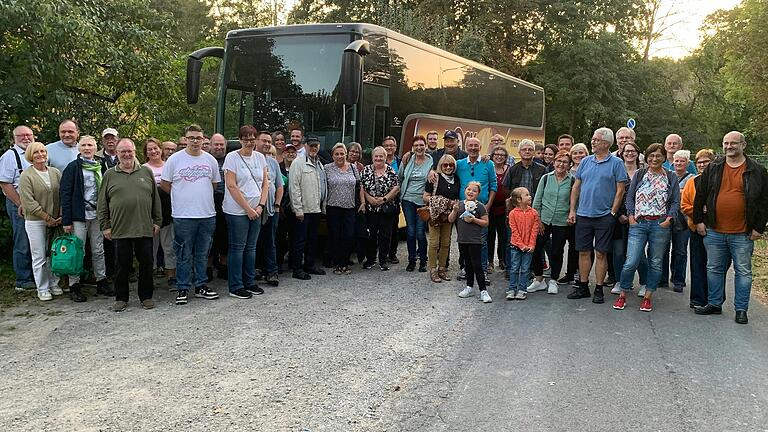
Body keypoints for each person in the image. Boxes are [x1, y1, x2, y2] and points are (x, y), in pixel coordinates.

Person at [693, 131, 768, 324]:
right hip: (715, 230)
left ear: (743, 145)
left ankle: (741, 309)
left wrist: (759, 227)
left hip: (743, 232)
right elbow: (700, 195)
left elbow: (764, 202)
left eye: (734, 143)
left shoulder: (757, 170)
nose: (729, 147)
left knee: (743, 272)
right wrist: (699, 221)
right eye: (726, 143)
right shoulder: (714, 167)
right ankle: (714, 304)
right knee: (714, 269)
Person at [612, 143, 679, 312]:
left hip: (660, 224)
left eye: (658, 156)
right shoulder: (640, 174)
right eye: (651, 156)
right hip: (639, 223)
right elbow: (630, 197)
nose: (654, 159)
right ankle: (623, 294)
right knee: (631, 261)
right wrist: (631, 215)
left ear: (664, 157)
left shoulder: (670, 176)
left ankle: (648, 297)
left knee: (656, 262)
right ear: (646, 157)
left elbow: (675, 201)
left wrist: (669, 219)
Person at [161, 124, 222, 305]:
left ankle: (201, 285)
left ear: (204, 140)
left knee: (203, 252)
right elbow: (165, 184)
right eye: (191, 138)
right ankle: (183, 288)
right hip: (183, 215)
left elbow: (214, 184)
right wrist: (182, 195)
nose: (195, 141)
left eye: (199, 138)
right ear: (185, 139)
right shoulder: (175, 160)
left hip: (206, 214)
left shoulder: (210, 160)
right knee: (183, 253)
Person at [98, 138, 161, 312]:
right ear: (117, 153)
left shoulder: (146, 172)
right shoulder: (110, 174)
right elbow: (102, 203)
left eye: (129, 151)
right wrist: (105, 226)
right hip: (119, 228)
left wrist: (157, 221)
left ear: (134, 152)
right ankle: (121, 298)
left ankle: (146, 297)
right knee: (122, 266)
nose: (126, 154)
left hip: (144, 227)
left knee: (147, 264)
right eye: (122, 151)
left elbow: (155, 199)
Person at [567, 127, 628, 304]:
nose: (593, 142)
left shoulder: (616, 163)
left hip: (604, 216)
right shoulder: (585, 161)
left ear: (607, 143)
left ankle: (599, 288)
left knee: (601, 253)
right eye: (593, 139)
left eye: (596, 139)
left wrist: (613, 213)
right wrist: (572, 210)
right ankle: (584, 286)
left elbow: (620, 190)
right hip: (584, 215)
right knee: (583, 252)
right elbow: (576, 187)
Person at [60, 135, 110, 301]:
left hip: (97, 216)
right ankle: (75, 285)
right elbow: (65, 195)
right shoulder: (73, 168)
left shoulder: (100, 166)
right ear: (78, 148)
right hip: (78, 216)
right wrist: (66, 220)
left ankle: (101, 280)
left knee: (98, 249)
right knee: (77, 251)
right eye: (84, 145)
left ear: (95, 148)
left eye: (90, 145)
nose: (87, 148)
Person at [221, 126, 269, 299]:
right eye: (245, 138)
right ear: (240, 139)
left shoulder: (260, 158)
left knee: (251, 248)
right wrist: (248, 209)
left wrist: (260, 206)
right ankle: (236, 285)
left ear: (256, 139)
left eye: (252, 138)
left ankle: (249, 282)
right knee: (237, 248)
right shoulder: (232, 158)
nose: (249, 142)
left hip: (256, 210)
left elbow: (265, 183)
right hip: (237, 211)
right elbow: (231, 185)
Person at [19, 142, 62, 301]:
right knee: (39, 256)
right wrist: (47, 218)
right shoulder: (26, 175)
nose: (40, 154)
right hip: (36, 221)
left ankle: (54, 283)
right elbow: (28, 202)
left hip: (56, 220)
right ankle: (42, 288)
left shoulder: (55, 172)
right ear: (31, 155)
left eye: (43, 151)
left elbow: (63, 194)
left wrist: (60, 215)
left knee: (54, 253)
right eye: (36, 152)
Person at [529, 150, 574, 295]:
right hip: (544, 220)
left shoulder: (573, 181)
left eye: (565, 162)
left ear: (569, 165)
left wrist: (571, 215)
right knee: (536, 248)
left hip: (561, 221)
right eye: (558, 161)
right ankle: (539, 279)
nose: (561, 164)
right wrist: (538, 219)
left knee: (557, 251)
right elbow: (537, 200)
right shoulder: (546, 178)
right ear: (554, 162)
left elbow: (574, 202)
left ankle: (553, 280)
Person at [455, 137, 496, 282]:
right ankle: (466, 268)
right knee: (464, 240)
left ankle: (482, 270)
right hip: (462, 209)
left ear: (480, 147)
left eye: (476, 146)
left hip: (481, 208)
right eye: (470, 145)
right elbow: (444, 168)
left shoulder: (488, 163)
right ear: (466, 147)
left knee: (481, 241)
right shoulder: (459, 164)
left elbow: (493, 186)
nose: (473, 148)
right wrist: (432, 172)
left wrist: (488, 206)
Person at [610, 141, 648, 296]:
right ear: (621, 153)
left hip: (639, 218)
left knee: (638, 253)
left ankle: (644, 283)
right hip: (619, 218)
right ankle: (620, 281)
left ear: (638, 153)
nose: (630, 153)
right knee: (618, 252)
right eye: (626, 151)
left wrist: (635, 215)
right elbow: (611, 194)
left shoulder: (644, 173)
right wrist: (619, 214)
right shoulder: (616, 171)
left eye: (633, 151)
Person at [0, 125, 36, 291]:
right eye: (21, 135)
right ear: (14, 138)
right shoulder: (10, 156)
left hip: (36, 204)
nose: (26, 138)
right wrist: (20, 203)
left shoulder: (36, 153)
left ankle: (37, 276)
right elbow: (5, 184)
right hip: (18, 204)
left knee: (36, 241)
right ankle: (23, 279)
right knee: (22, 241)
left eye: (29, 135)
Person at [680, 149, 715, 308]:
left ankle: (714, 299)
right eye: (699, 162)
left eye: (706, 161)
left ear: (712, 163)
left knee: (715, 266)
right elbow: (684, 205)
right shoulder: (691, 182)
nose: (702, 164)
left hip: (716, 229)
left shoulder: (718, 181)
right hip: (695, 228)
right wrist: (700, 211)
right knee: (698, 264)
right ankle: (698, 299)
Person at [289, 136, 327, 279]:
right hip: (303, 210)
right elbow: (294, 188)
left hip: (315, 209)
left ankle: (309, 265)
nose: (314, 148)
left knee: (312, 239)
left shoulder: (319, 164)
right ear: (305, 146)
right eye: (311, 145)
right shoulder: (298, 163)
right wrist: (297, 209)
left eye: (316, 145)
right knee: (300, 240)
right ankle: (297, 269)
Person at [325, 143, 364, 275]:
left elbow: (360, 187)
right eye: (337, 154)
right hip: (333, 207)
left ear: (346, 154)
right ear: (333, 155)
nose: (340, 156)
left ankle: (345, 262)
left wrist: (363, 202)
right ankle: (337, 264)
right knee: (335, 236)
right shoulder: (327, 168)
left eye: (342, 153)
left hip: (350, 207)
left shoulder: (353, 168)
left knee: (348, 236)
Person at [360, 146, 400, 271]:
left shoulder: (391, 171)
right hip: (371, 209)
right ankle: (370, 259)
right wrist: (369, 198)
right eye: (376, 156)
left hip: (386, 209)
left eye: (381, 156)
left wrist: (384, 199)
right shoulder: (366, 170)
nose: (378, 158)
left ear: (385, 157)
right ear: (372, 157)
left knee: (385, 235)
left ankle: (383, 260)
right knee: (371, 235)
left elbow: (396, 187)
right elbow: (361, 186)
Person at [142, 139, 176, 287]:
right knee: (151, 246)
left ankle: (171, 275)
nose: (153, 151)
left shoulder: (169, 166)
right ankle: (151, 275)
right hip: (148, 213)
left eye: (155, 148)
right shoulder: (142, 168)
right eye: (149, 149)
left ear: (160, 149)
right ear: (146, 153)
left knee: (168, 245)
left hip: (168, 210)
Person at [451, 181, 491, 303]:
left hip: (475, 240)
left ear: (478, 193)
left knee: (477, 264)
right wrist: (454, 210)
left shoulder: (480, 206)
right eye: (469, 189)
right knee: (467, 263)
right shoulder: (460, 204)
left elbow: (486, 222)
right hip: (462, 240)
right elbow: (450, 219)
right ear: (465, 191)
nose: (471, 192)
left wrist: (474, 220)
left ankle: (483, 290)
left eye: (474, 191)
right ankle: (469, 287)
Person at [661, 149, 695, 292]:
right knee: (663, 249)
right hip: (666, 216)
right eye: (677, 161)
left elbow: (691, 196)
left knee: (680, 250)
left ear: (687, 163)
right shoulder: (667, 176)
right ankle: (662, 279)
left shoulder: (692, 178)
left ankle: (678, 280)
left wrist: (677, 193)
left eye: (682, 161)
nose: (679, 163)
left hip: (683, 219)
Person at [423, 154, 460, 283]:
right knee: (434, 243)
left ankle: (442, 268)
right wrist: (443, 202)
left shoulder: (456, 179)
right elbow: (425, 197)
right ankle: (433, 269)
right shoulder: (434, 178)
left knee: (446, 243)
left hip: (448, 216)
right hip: (435, 215)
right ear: (441, 166)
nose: (448, 167)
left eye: (451, 165)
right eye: (445, 165)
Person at [399, 136, 433, 272]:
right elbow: (400, 177)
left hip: (422, 201)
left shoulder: (431, 161)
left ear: (425, 146)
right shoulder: (407, 159)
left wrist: (433, 171)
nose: (419, 148)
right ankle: (411, 260)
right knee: (411, 231)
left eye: (421, 145)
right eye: (416, 145)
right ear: (413, 148)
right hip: (407, 199)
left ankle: (423, 261)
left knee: (420, 232)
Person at [256, 131, 285, 286]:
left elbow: (279, 186)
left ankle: (272, 272)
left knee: (270, 241)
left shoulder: (273, 162)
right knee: (254, 241)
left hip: (271, 208)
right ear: (256, 141)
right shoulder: (250, 160)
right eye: (264, 141)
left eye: (269, 141)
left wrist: (277, 205)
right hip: (253, 209)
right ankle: (256, 269)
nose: (267, 144)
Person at [506, 186, 540, 300]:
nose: (529, 196)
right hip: (516, 246)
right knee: (514, 268)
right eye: (526, 195)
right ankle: (512, 289)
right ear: (519, 200)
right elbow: (514, 231)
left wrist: (531, 245)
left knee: (525, 269)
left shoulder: (534, 213)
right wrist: (521, 245)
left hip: (528, 248)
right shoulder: (512, 213)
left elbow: (534, 231)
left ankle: (522, 289)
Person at [207, 133, 228, 282]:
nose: (219, 147)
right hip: (208, 200)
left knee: (225, 235)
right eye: (216, 144)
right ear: (211, 145)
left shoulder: (231, 158)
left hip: (227, 200)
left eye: (222, 145)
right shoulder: (205, 159)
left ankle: (223, 267)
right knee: (209, 237)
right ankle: (207, 268)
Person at [487, 145, 510, 273]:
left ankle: (502, 260)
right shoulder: (489, 168)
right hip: (490, 208)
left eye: (502, 155)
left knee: (504, 236)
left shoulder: (509, 170)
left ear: (506, 157)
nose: (499, 156)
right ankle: (490, 261)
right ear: (492, 156)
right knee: (490, 236)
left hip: (504, 209)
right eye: (496, 154)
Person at [277, 144, 298, 272]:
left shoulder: (298, 168)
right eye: (288, 152)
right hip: (281, 208)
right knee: (280, 237)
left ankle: (293, 263)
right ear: (283, 154)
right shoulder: (278, 168)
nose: (290, 154)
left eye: (293, 152)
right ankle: (278, 263)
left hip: (295, 208)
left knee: (295, 237)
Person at [382, 136, 402, 264]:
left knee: (394, 228)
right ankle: (381, 254)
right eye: (386, 146)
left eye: (391, 145)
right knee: (381, 229)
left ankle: (392, 254)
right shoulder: (378, 160)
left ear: (395, 148)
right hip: (379, 200)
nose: (389, 148)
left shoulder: (400, 162)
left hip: (394, 201)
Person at [347, 142, 367, 264]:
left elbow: (362, 186)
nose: (354, 154)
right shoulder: (341, 164)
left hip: (358, 201)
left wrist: (363, 202)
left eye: (357, 152)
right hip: (346, 201)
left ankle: (358, 254)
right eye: (352, 151)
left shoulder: (361, 167)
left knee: (358, 230)